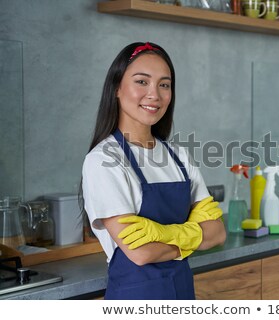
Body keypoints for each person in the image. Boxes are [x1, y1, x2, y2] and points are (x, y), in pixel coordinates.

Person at [81, 42, 226, 300]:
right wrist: (193, 235)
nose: (154, 95)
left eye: (164, 84)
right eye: (141, 82)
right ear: (116, 88)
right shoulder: (103, 160)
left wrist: (161, 233)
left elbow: (216, 233)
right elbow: (141, 252)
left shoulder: (178, 156)